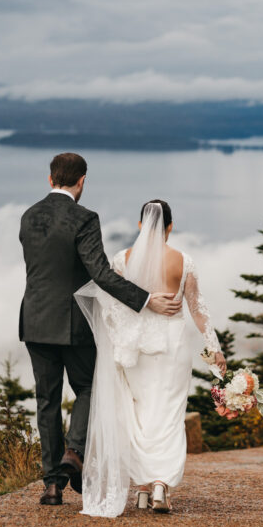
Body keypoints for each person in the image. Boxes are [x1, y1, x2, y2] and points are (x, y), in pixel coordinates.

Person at [18, 153, 182, 506]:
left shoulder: (28, 216)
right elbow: (101, 273)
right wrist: (145, 300)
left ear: (50, 180)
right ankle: (74, 452)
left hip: (33, 320)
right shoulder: (85, 218)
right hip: (73, 323)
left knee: (46, 400)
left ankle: (51, 487)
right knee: (90, 385)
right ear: (81, 181)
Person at [75, 199, 226, 516]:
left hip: (135, 351)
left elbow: (110, 306)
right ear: (170, 227)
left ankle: (143, 489)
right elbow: (198, 309)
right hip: (171, 347)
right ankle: (160, 486)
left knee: (140, 416)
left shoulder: (123, 259)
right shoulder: (183, 262)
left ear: (141, 226)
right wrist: (214, 347)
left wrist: (124, 337)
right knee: (168, 416)